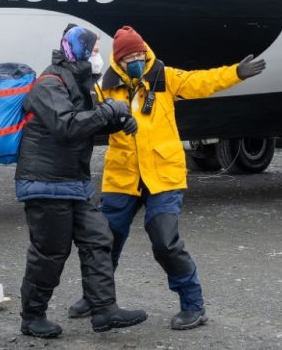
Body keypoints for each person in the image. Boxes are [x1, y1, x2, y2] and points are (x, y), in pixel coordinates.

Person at [68, 25, 266, 330]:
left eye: (139, 53)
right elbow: (79, 109)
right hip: (123, 177)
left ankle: (193, 305)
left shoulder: (165, 78)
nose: (136, 58)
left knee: (165, 242)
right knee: (104, 241)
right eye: (129, 56)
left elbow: (202, 81)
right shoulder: (104, 88)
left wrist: (236, 72)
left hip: (164, 176)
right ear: (117, 61)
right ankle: (95, 297)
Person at [15, 25, 148, 339]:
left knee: (99, 240)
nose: (99, 56)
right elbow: (66, 126)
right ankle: (32, 317)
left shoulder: (82, 82)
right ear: (79, 49)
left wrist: (118, 120)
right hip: (45, 182)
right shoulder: (49, 82)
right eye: (96, 49)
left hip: (76, 181)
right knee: (50, 252)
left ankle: (104, 310)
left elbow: (87, 126)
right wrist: (108, 110)